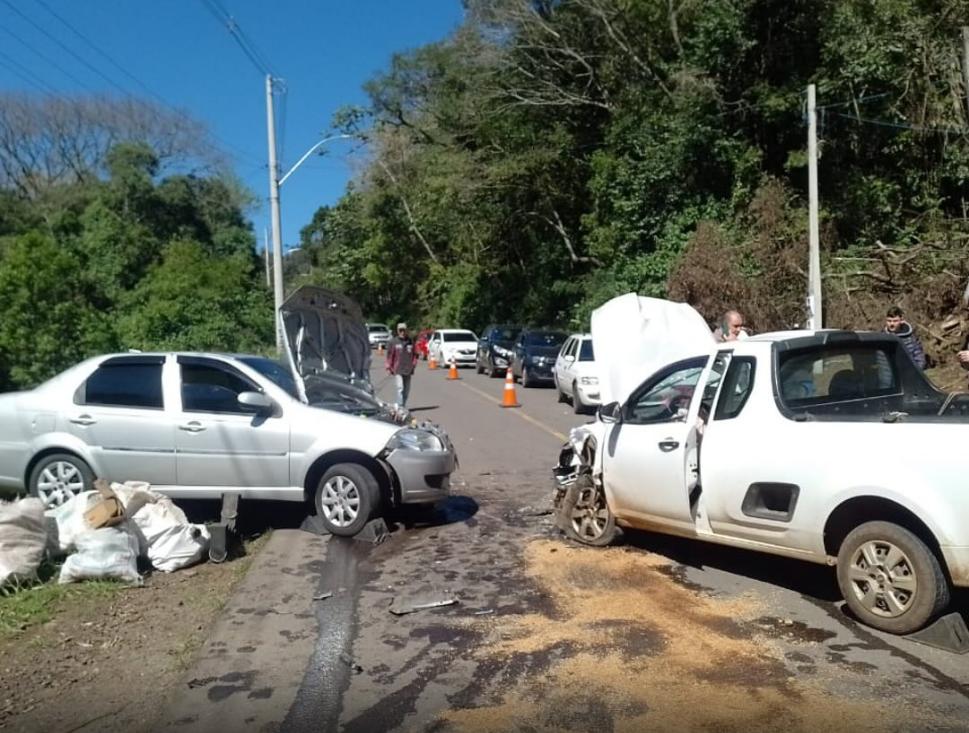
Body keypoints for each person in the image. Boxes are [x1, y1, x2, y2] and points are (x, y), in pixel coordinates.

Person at [386, 322, 418, 407]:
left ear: (406, 330)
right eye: (400, 330)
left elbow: (415, 354)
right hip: (398, 369)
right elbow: (389, 355)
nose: (402, 332)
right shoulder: (393, 342)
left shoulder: (410, 341)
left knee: (406, 390)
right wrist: (389, 366)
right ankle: (400, 406)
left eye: (404, 330)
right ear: (397, 331)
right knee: (400, 388)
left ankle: (403, 405)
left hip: (408, 369)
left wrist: (414, 364)